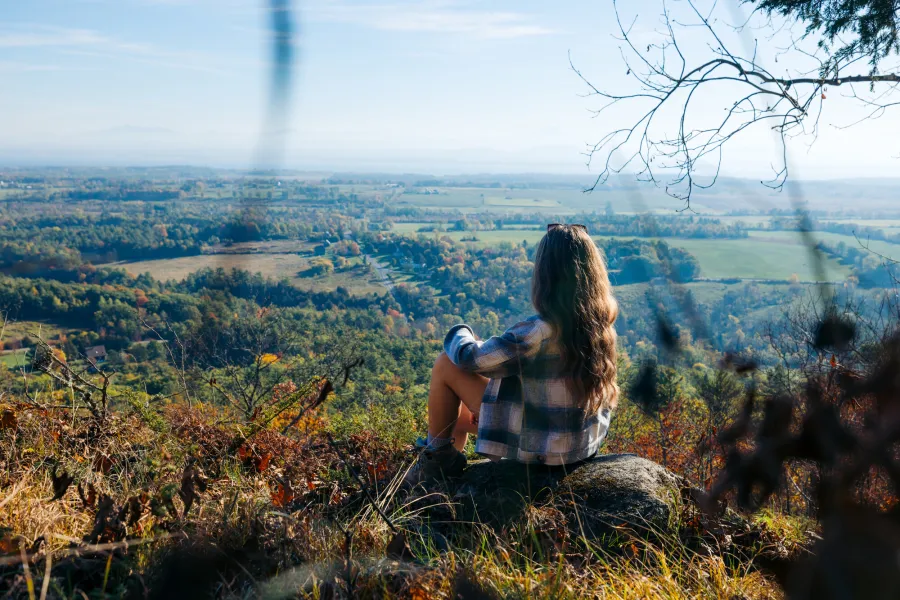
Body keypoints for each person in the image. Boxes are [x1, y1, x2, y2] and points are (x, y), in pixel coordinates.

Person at [405, 223, 619, 484]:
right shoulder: (600, 323)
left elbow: (470, 358)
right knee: (458, 418)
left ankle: (435, 466)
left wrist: (461, 331)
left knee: (445, 365)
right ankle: (446, 471)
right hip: (580, 447)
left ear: (545, 276)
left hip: (543, 449)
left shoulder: (539, 331)